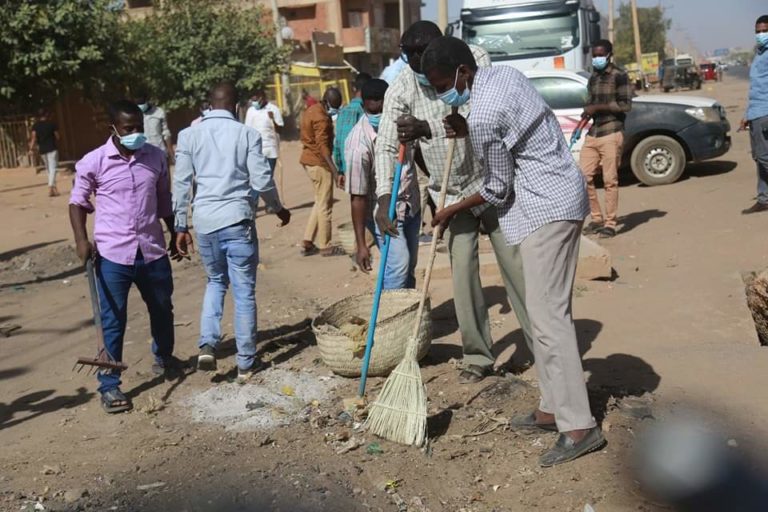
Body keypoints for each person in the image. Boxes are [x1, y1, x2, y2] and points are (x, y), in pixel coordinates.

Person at [422, 36, 604, 467]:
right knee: (543, 313)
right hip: (554, 197)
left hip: (548, 207)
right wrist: (467, 131)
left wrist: (450, 209)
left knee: (546, 315)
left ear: (464, 72)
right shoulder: (502, 77)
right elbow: (511, 138)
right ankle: (550, 406)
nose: (442, 93)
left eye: (443, 83)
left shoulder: (483, 113)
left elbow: (495, 188)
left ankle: (578, 424)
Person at [374, 20, 533, 383]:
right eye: (407, 53)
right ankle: (478, 356)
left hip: (493, 183)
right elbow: (386, 145)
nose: (414, 60)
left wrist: (427, 129)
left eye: (422, 52)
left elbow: (486, 116)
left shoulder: (472, 60)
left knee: (516, 269)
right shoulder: (400, 88)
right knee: (463, 279)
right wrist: (385, 196)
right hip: (449, 195)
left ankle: (541, 344)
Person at [68, 100, 182, 414]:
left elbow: (163, 200)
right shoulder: (94, 162)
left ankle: (164, 357)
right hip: (113, 255)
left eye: (139, 128)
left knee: (162, 308)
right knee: (112, 320)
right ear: (114, 129)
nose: (135, 133)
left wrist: (175, 233)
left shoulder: (156, 157)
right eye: (128, 129)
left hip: (152, 251)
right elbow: (77, 202)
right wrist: (80, 240)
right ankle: (109, 384)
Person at [174, 82, 291, 382]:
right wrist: (278, 208)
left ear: (209, 104)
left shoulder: (188, 135)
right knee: (243, 293)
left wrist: (178, 225)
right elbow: (262, 180)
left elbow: (182, 184)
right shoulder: (246, 135)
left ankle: (207, 344)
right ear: (237, 106)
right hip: (237, 222)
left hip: (205, 223)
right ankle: (245, 364)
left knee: (215, 282)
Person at [345, 78, 420, 287]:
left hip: (411, 204)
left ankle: (408, 311)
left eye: (383, 109)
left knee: (410, 267)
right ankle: (391, 317)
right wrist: (361, 245)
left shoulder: (402, 126)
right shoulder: (357, 144)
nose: (380, 114)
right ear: (364, 107)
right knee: (398, 266)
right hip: (384, 214)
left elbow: (417, 156)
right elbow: (357, 197)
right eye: (374, 111)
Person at [579, 40, 632, 238]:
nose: (596, 59)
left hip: (612, 132)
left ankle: (610, 223)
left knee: (610, 181)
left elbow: (626, 105)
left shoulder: (619, 75)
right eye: (594, 56)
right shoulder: (593, 77)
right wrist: (588, 111)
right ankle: (596, 218)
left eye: (600, 55)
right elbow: (590, 102)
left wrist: (599, 108)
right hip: (594, 132)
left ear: (609, 54)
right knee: (583, 178)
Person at [299, 87, 344, 257]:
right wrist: (334, 170)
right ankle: (325, 245)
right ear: (326, 102)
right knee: (325, 205)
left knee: (319, 201)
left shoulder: (312, 110)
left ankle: (307, 241)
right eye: (334, 106)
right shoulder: (322, 118)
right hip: (319, 163)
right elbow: (323, 147)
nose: (334, 110)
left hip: (308, 160)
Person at [740, 15, 768, 215]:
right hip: (756, 112)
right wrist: (747, 114)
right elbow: (756, 89)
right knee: (760, 157)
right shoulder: (759, 53)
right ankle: (764, 198)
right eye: (757, 31)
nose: (761, 35)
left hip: (766, 113)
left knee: (765, 157)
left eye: (764, 30)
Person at [333, 72, 372, 183]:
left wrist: (340, 169)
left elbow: (338, 142)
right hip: (366, 168)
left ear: (354, 88)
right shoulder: (367, 112)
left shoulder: (343, 111)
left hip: (348, 169)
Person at [245, 89, 284, 175]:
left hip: (270, 150)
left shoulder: (273, 109)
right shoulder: (250, 111)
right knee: (257, 177)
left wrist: (273, 119)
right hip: (255, 150)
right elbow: (247, 130)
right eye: (253, 100)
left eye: (256, 100)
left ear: (262, 98)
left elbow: (280, 130)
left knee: (268, 177)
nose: (254, 103)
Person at [133, 90, 174, 163]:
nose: (140, 106)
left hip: (160, 152)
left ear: (147, 100)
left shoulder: (159, 112)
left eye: (142, 103)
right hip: (143, 156)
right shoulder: (133, 115)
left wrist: (171, 154)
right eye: (138, 104)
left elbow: (166, 133)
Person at [29, 109, 60, 197]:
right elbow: (57, 136)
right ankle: (50, 186)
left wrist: (31, 148)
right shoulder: (52, 124)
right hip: (52, 148)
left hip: (42, 150)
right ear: (47, 115)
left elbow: (33, 138)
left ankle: (54, 189)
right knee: (53, 168)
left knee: (48, 169)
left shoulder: (36, 126)